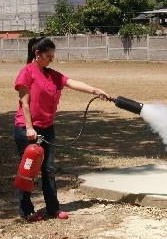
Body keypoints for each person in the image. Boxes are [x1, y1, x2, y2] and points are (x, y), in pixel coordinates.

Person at [13, 37, 110, 222]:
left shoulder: (51, 74)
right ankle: (26, 211)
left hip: (47, 128)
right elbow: (24, 103)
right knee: (28, 171)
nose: (51, 59)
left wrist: (95, 90)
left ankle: (53, 209)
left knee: (48, 169)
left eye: (53, 56)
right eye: (48, 56)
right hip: (27, 129)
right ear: (37, 54)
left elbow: (71, 83)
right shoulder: (26, 72)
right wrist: (29, 128)